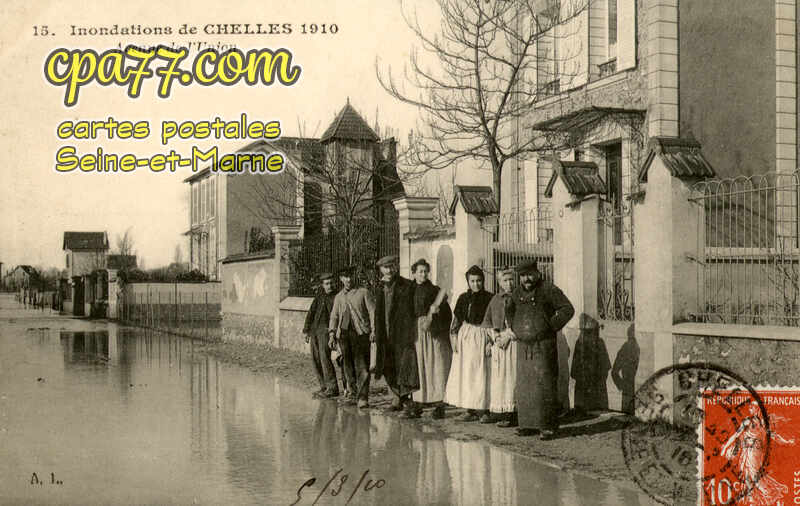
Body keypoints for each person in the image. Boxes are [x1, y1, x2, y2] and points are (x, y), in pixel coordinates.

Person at [510, 260, 574, 439]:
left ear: (537, 273)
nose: (527, 279)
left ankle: (547, 426)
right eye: (523, 276)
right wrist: (515, 328)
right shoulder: (516, 293)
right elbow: (510, 310)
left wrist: (551, 325)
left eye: (530, 274)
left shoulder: (549, 290)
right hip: (523, 346)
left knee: (544, 384)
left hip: (543, 346)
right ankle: (527, 424)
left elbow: (567, 309)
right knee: (525, 385)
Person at [372, 255, 422, 418]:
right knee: (387, 365)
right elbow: (378, 312)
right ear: (381, 269)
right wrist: (376, 330)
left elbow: (414, 308)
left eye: (392, 266)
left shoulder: (406, 285)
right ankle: (396, 398)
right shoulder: (380, 287)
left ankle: (409, 401)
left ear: (396, 267)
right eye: (385, 267)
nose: (389, 270)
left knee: (405, 367)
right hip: (384, 334)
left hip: (401, 334)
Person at [444, 265, 493, 422]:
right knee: (467, 373)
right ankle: (469, 409)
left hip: (482, 335)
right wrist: (453, 337)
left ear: (483, 281)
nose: (476, 284)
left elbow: (494, 322)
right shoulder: (463, 298)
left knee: (482, 373)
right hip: (466, 336)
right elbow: (457, 320)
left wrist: (490, 342)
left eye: (479, 281)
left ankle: (484, 409)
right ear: (468, 281)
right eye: (472, 281)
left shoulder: (490, 298)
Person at [410, 258, 453, 419]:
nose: (423, 274)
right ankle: (419, 402)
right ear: (414, 273)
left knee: (435, 365)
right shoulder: (409, 289)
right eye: (420, 271)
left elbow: (447, 313)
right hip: (416, 332)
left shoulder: (436, 290)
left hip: (433, 332)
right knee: (420, 366)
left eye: (425, 271)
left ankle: (439, 404)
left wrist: (436, 313)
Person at [329, 266, 376, 408]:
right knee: (347, 366)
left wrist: (374, 331)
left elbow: (373, 313)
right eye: (345, 277)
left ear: (354, 277)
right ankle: (353, 393)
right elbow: (334, 316)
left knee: (362, 366)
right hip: (344, 335)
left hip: (360, 334)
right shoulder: (338, 297)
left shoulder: (363, 293)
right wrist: (332, 334)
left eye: (350, 276)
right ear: (341, 279)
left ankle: (363, 397)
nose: (348, 279)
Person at [481, 268, 518, 427]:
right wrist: (494, 338)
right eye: (504, 280)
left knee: (512, 377)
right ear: (499, 282)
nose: (508, 283)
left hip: (514, 343)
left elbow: (521, 321)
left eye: (511, 280)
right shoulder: (495, 300)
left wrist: (508, 336)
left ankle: (513, 413)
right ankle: (501, 411)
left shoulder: (518, 298)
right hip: (498, 343)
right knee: (499, 378)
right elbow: (489, 321)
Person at [302, 272, 339, 398]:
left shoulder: (337, 297)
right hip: (315, 331)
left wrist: (333, 334)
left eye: (331, 283)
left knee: (325, 359)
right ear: (322, 285)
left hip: (326, 332)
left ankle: (332, 387)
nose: (330, 286)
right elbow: (311, 313)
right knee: (315, 359)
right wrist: (307, 331)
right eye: (327, 284)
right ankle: (323, 386)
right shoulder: (319, 296)